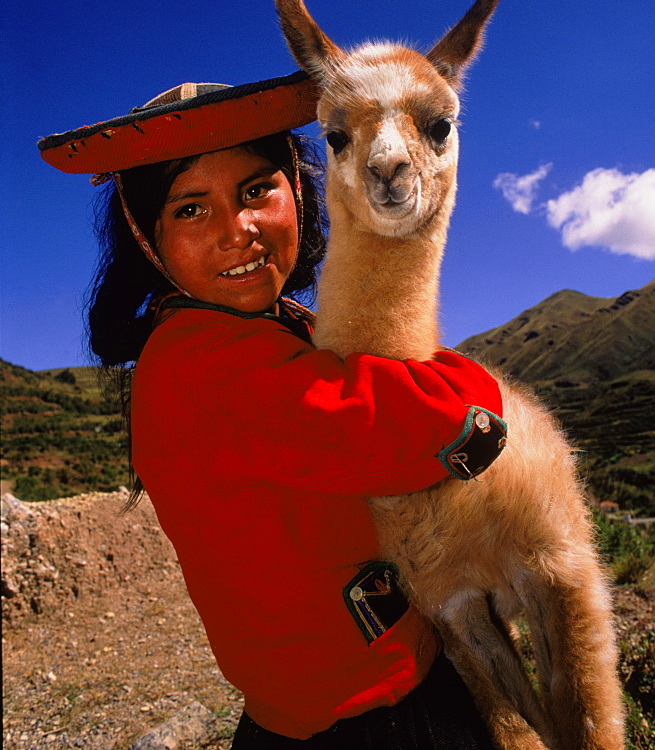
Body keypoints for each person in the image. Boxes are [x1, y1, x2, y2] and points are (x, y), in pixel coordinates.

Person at [39, 72, 507, 749]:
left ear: (298, 189)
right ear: (147, 238)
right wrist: (471, 389)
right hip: (368, 717)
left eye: (256, 190)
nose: (239, 231)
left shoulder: (272, 329)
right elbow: (428, 421)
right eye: (190, 209)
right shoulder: (202, 366)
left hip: (325, 702)